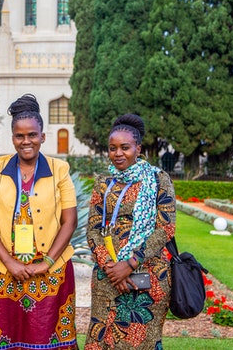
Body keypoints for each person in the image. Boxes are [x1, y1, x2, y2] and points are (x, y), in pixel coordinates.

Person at [0, 94, 79, 350]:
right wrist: (8, 262)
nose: (26, 141)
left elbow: (70, 221)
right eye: (20, 136)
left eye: (32, 135)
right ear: (12, 138)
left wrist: (47, 262)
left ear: (43, 136)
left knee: (49, 338)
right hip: (3, 270)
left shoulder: (60, 170)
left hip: (50, 272)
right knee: (1, 338)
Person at [84, 114, 176, 350]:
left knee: (140, 341)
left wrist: (131, 263)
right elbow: (93, 229)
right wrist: (111, 267)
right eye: (112, 148)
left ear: (138, 148)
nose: (118, 153)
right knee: (102, 339)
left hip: (147, 276)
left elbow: (165, 227)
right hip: (108, 277)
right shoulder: (103, 182)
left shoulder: (158, 179)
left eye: (125, 147)